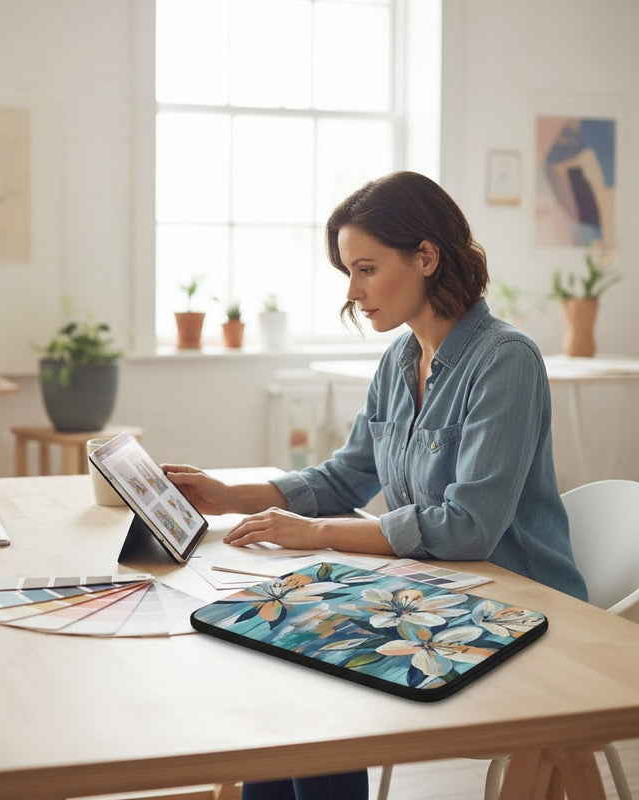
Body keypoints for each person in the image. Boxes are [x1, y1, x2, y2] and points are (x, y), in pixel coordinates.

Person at [163, 171, 587, 800]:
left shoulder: (505, 361)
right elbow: (344, 476)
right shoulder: (398, 360)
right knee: (279, 654)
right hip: (438, 596)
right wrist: (231, 497)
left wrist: (315, 535)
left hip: (525, 613)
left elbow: (467, 526)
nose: (355, 292)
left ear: (425, 256)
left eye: (365, 269)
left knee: (313, 673)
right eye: (347, 273)